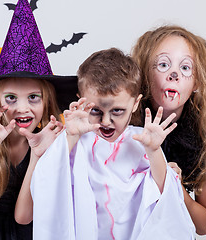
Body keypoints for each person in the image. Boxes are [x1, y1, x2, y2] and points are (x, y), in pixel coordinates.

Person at [31, 48, 195, 240]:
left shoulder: (141, 140)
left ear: (135, 103)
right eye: (95, 111)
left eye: (117, 111)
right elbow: (46, 182)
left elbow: (163, 193)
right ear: (81, 101)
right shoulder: (76, 140)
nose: (106, 121)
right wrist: (71, 136)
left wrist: (154, 150)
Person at [0, 0, 78, 239]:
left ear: (47, 101)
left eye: (33, 97)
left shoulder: (50, 140)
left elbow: (24, 217)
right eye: (11, 98)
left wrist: (37, 155)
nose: (22, 108)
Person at [131, 25, 206, 235]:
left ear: (196, 82)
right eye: (163, 64)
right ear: (145, 74)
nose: (174, 74)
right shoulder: (125, 120)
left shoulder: (202, 134)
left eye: (185, 68)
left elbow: (205, 225)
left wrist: (175, 187)